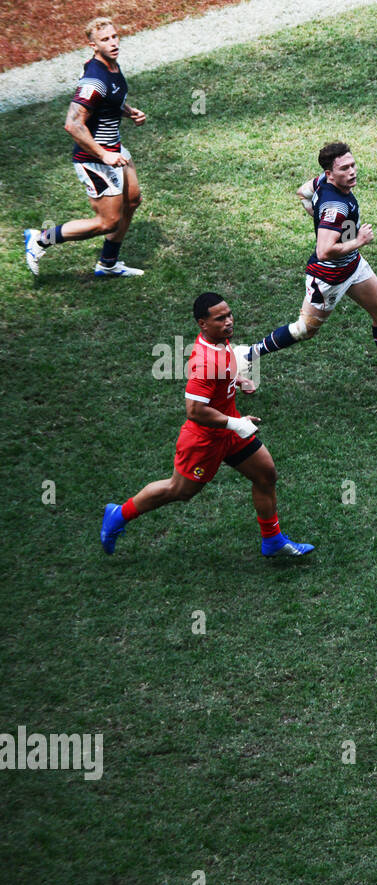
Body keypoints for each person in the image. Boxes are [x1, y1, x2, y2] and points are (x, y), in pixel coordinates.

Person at [99, 293, 314, 558]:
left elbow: (220, 379)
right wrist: (236, 423)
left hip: (230, 430)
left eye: (229, 315)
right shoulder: (204, 363)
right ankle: (118, 515)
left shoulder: (220, 343)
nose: (229, 322)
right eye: (220, 318)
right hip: (205, 440)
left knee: (266, 474)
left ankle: (273, 540)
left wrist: (236, 382)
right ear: (203, 323)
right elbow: (195, 411)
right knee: (179, 491)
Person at [246, 141, 377, 395]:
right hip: (328, 278)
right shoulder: (335, 208)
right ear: (331, 173)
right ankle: (248, 356)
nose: (352, 171)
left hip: (353, 267)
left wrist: (315, 214)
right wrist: (358, 241)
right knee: (304, 330)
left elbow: (302, 192)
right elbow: (324, 251)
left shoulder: (322, 180)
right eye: (344, 168)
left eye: (353, 165)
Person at [24, 18, 146, 278]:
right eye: (105, 40)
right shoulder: (94, 79)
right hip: (95, 158)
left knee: (132, 200)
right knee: (107, 222)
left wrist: (128, 111)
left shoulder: (110, 65)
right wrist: (103, 155)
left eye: (115, 36)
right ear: (93, 45)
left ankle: (108, 264)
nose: (113, 43)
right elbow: (73, 124)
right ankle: (40, 239)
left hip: (114, 149)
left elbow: (108, 101)